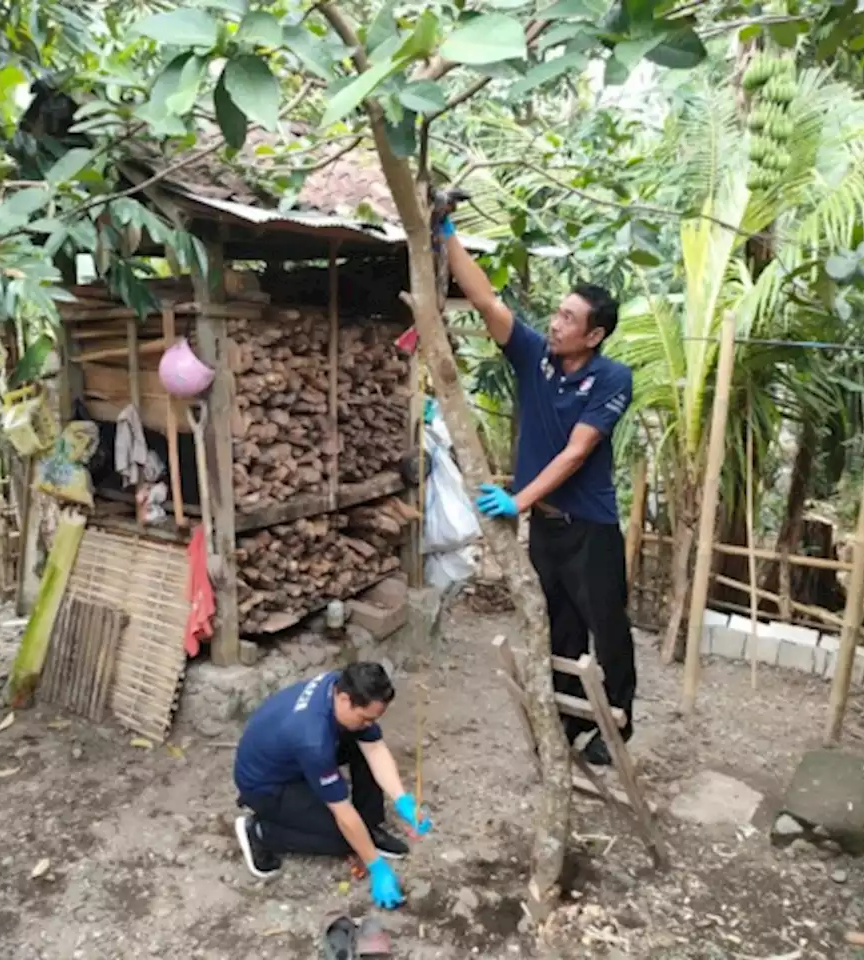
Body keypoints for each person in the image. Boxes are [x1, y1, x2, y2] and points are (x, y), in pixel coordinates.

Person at [443, 217, 636, 766]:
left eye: (569, 319)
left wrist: (516, 500)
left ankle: (619, 723)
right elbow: (484, 300)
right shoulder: (535, 359)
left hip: (590, 529)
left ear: (594, 335)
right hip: (546, 529)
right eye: (557, 312)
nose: (555, 323)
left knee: (607, 626)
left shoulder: (611, 378)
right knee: (555, 625)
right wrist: (446, 234)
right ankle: (568, 719)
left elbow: (577, 452)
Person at [232, 662, 432, 909]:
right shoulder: (312, 740)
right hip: (266, 786)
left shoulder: (341, 683)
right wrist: (376, 866)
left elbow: (375, 748)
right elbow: (342, 812)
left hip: (292, 759)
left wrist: (402, 799)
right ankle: (261, 831)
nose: (371, 724)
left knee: (359, 741)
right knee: (346, 838)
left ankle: (369, 825)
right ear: (345, 699)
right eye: (366, 717)